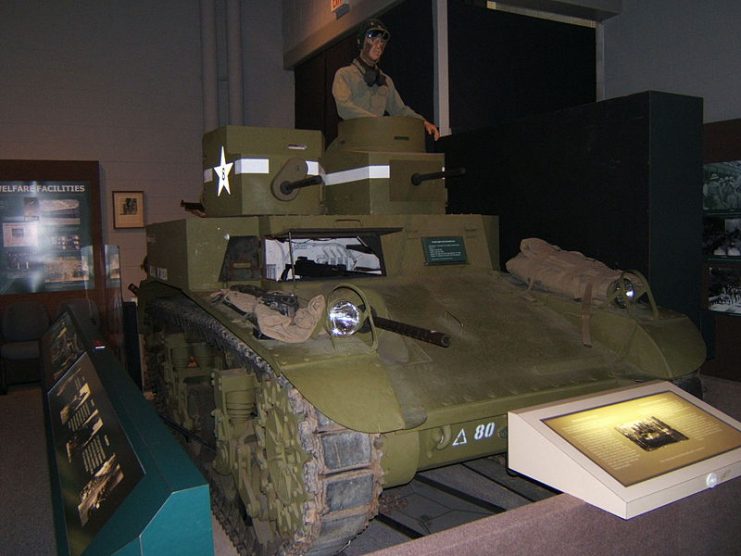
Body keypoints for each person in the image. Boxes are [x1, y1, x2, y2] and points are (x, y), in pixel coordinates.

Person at [332, 18, 440, 141]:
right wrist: (376, 122)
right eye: (373, 40)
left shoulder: (385, 80)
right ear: (360, 42)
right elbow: (344, 107)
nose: (378, 46)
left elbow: (400, 110)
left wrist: (423, 122)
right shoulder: (344, 75)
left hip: (379, 140)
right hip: (353, 141)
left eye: (381, 42)